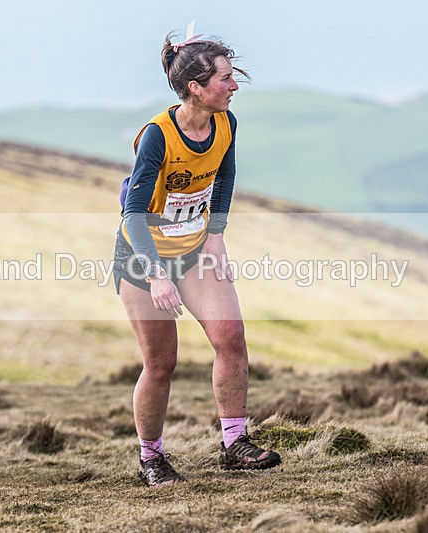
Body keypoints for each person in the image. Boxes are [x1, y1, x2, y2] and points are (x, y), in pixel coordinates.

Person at [113, 29, 281, 487]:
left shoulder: (225, 122)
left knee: (230, 337)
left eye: (232, 77)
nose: (233, 86)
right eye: (225, 78)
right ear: (196, 87)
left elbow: (225, 176)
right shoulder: (157, 137)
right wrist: (156, 275)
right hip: (142, 256)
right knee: (161, 363)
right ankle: (151, 457)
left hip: (194, 250)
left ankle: (235, 444)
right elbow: (133, 212)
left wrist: (216, 236)